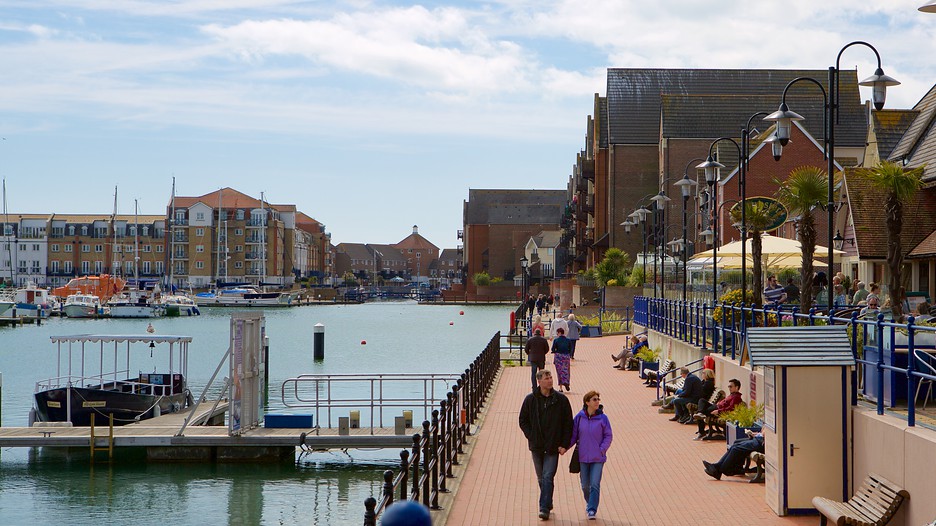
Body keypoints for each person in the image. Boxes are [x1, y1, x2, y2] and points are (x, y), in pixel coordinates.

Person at [519, 369, 574, 521]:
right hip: (536, 446)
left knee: (548, 476)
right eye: (546, 378)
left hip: (553, 446)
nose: (550, 380)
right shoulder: (530, 400)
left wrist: (564, 444)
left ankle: (544, 508)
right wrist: (531, 435)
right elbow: (523, 420)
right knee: (541, 478)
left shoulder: (561, 400)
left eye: (550, 377)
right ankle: (548, 501)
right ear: (539, 381)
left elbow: (568, 424)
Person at [569, 391, 613, 521]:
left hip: (598, 458)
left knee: (594, 484)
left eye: (598, 399)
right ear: (587, 402)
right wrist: (564, 447)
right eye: (594, 399)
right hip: (583, 457)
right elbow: (573, 435)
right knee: (585, 485)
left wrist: (602, 450)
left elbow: (608, 435)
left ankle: (592, 509)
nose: (597, 401)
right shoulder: (579, 418)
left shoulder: (603, 418)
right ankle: (590, 502)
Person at [551, 328, 573, 392]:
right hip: (566, 356)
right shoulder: (568, 340)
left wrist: (554, 351)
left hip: (558, 357)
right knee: (566, 370)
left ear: (559, 333)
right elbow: (571, 348)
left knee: (559, 372)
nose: (557, 334)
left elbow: (553, 349)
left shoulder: (556, 340)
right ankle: (566, 382)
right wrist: (569, 354)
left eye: (557, 333)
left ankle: (560, 388)